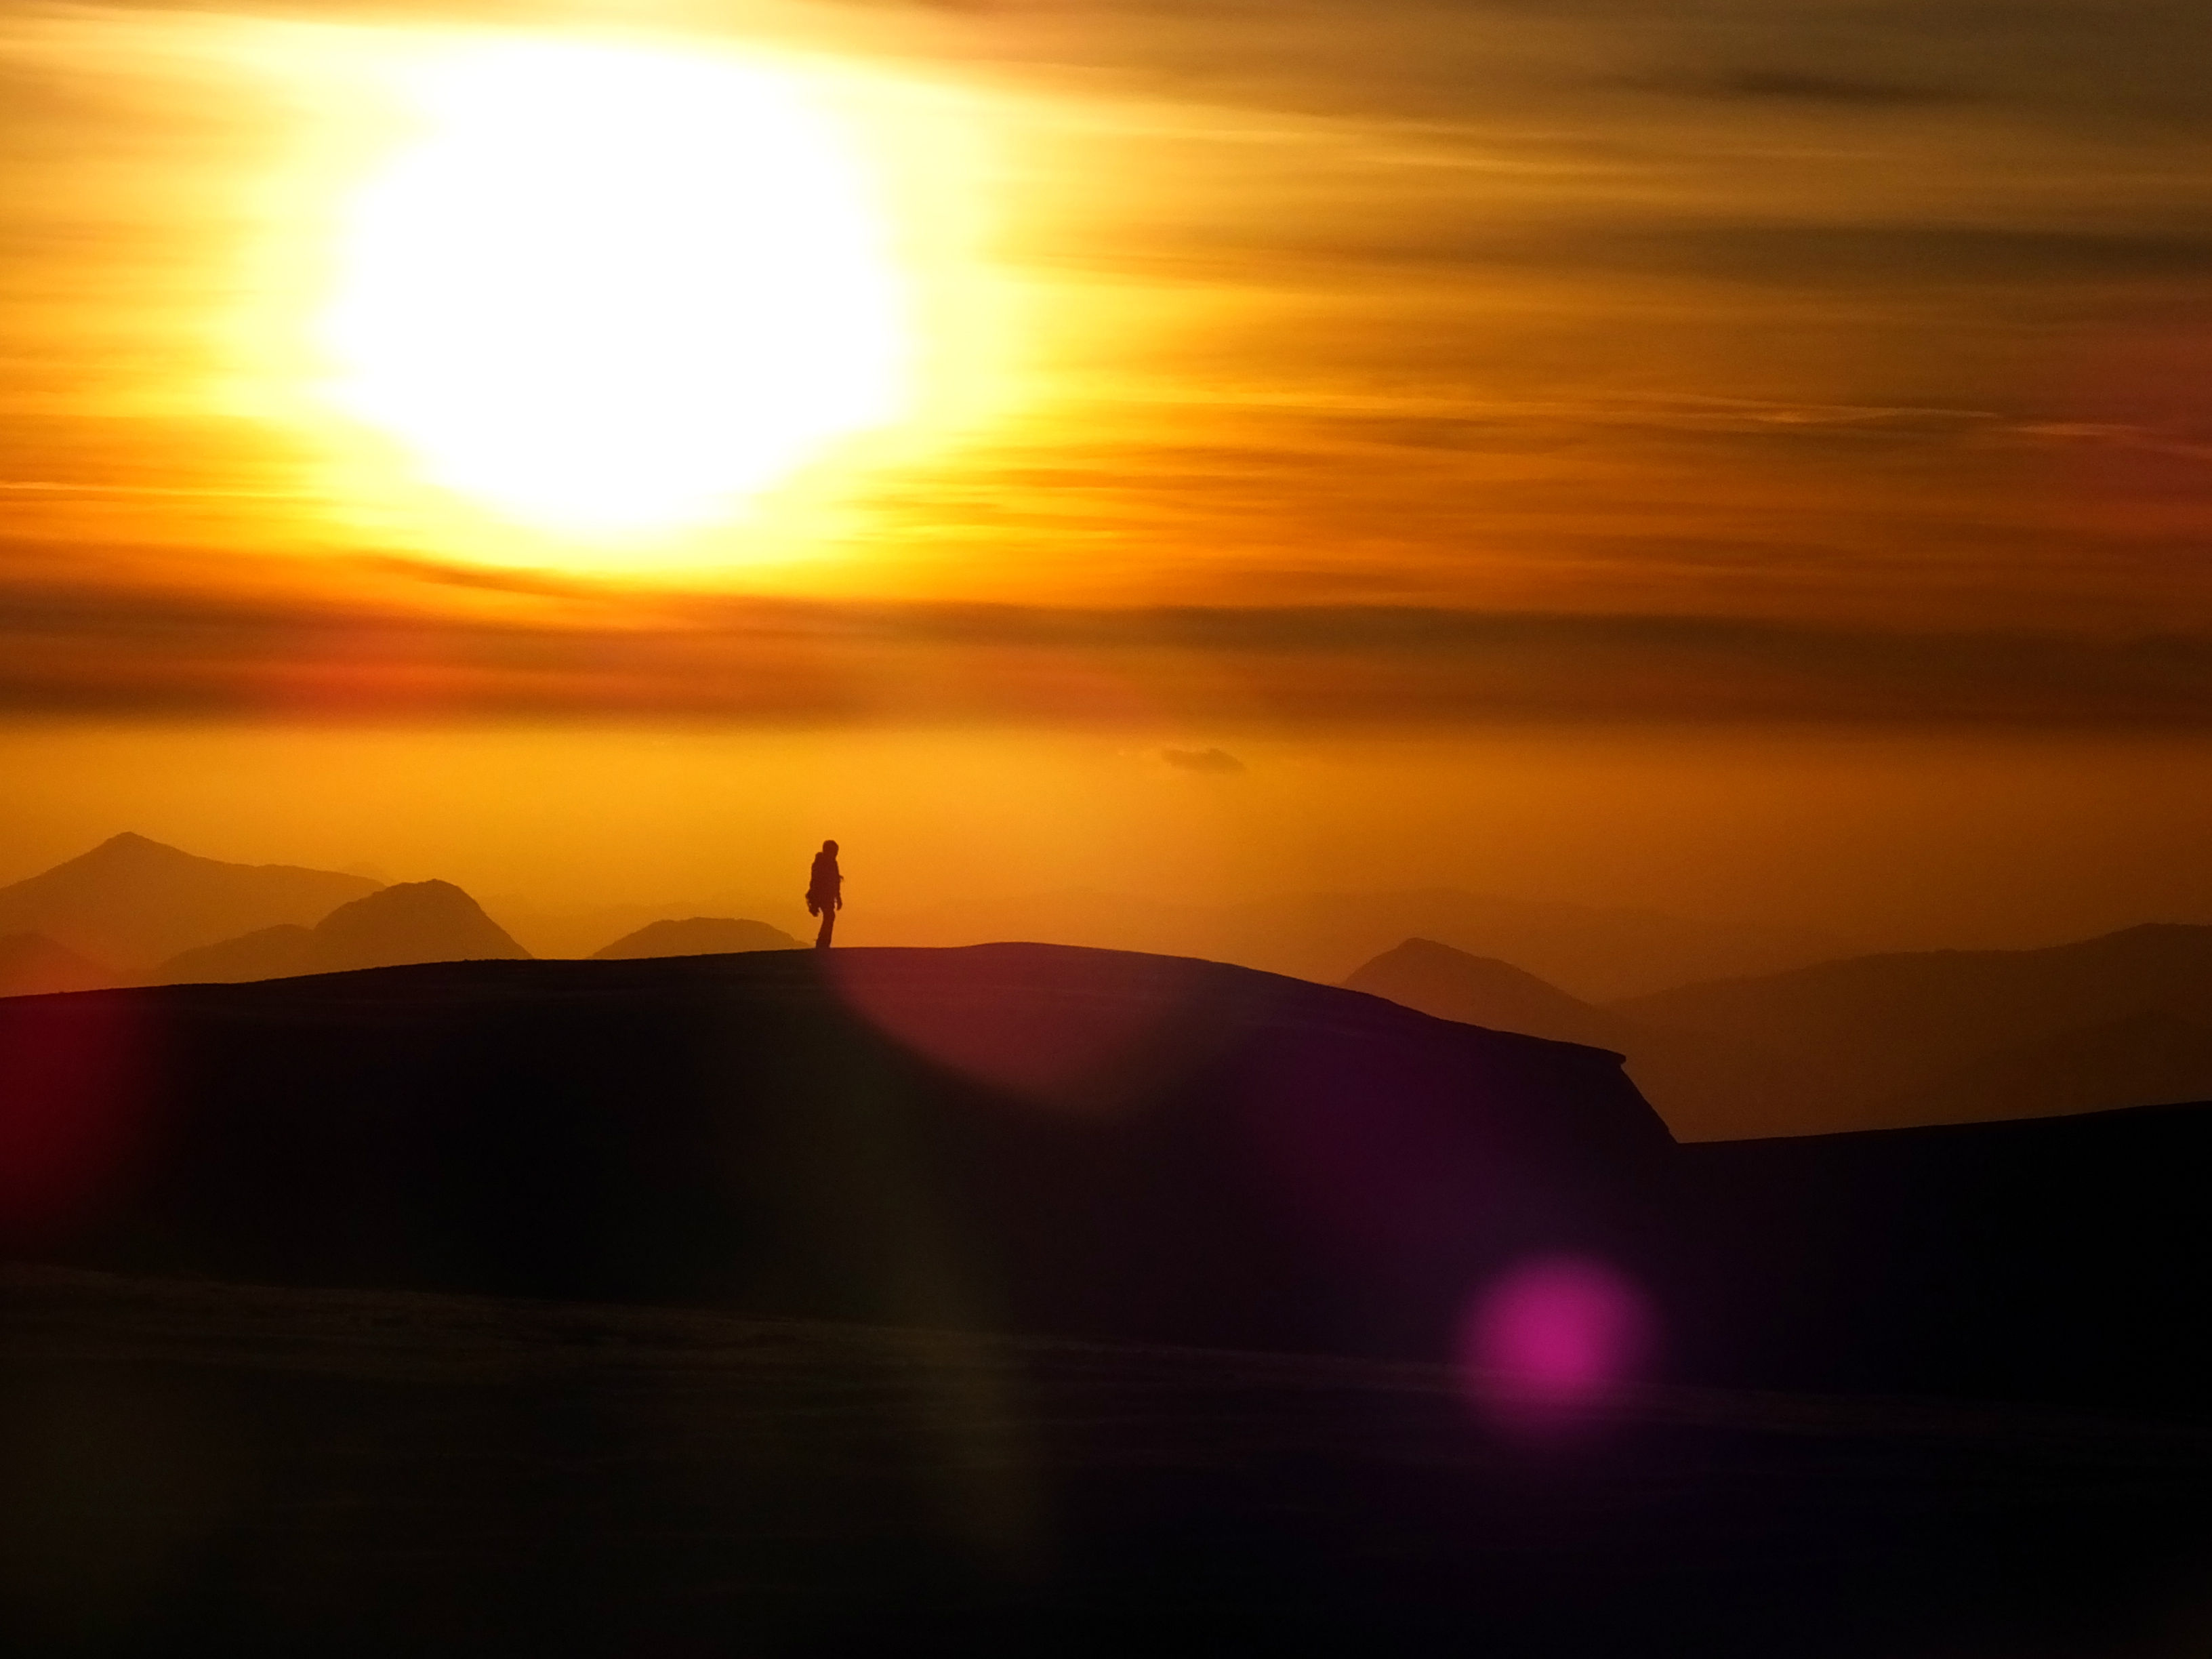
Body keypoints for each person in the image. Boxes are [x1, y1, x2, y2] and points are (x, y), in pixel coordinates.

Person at [805, 839, 842, 949]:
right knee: (830, 916)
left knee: (830, 916)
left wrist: (838, 897)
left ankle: (823, 942)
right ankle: (823, 943)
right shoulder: (820, 863)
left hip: (828, 896)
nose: (836, 855)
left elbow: (836, 881)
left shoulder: (832, 863)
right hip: (822, 896)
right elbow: (815, 881)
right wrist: (814, 899)